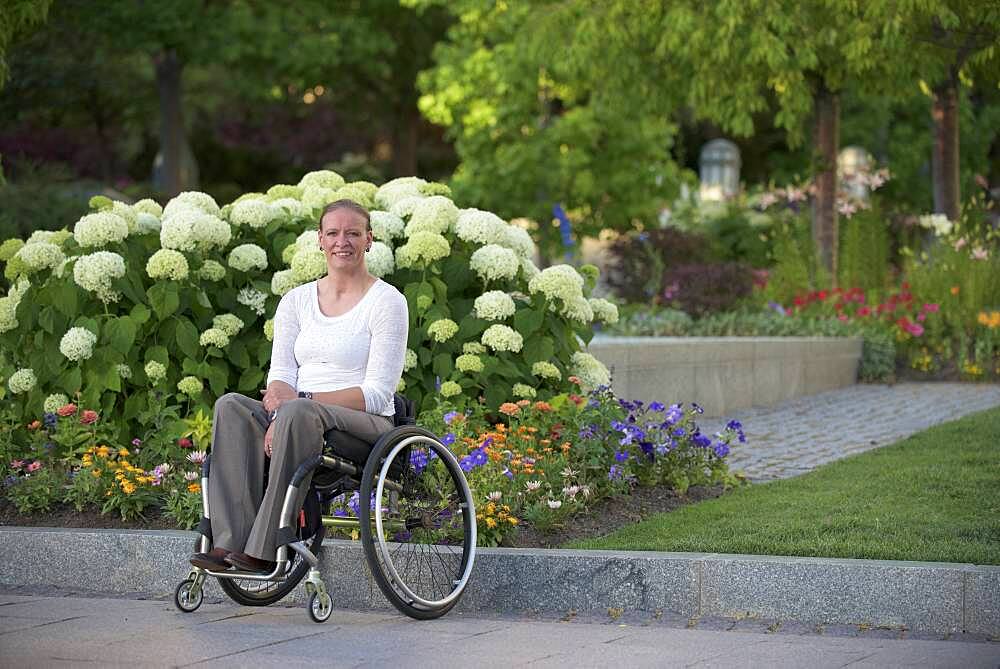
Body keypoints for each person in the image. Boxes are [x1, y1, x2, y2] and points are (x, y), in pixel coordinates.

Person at [189, 199, 408, 573]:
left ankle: (266, 548)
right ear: (319, 240)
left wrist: (300, 402)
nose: (343, 241)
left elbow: (377, 395)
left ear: (369, 240)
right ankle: (229, 543)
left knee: (299, 411)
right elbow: (281, 375)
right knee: (231, 406)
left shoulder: (387, 302)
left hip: (364, 421)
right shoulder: (296, 301)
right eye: (334, 233)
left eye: (353, 233)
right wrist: (279, 408)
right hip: (296, 412)